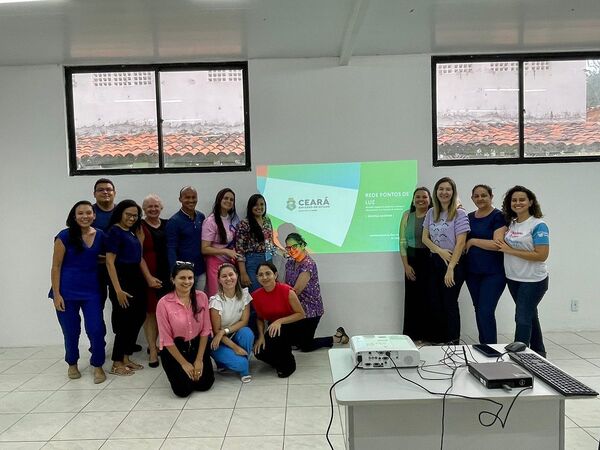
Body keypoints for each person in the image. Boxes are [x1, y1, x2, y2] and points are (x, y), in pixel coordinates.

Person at [50, 201, 107, 384]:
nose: (85, 216)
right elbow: (56, 266)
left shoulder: (100, 235)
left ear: (94, 215)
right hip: (66, 292)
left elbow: (107, 258)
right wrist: (57, 294)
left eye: (88, 212)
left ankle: (97, 365)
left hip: (92, 291)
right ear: (74, 217)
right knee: (71, 331)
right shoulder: (64, 236)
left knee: (96, 329)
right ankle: (72, 363)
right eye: (80, 213)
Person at [495, 186, 549, 357]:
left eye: (522, 199)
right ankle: (539, 352)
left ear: (530, 202)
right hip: (513, 278)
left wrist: (509, 250)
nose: (518, 203)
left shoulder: (538, 225)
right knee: (530, 315)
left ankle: (520, 358)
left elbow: (541, 255)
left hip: (533, 280)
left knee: (522, 318)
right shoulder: (511, 223)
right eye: (514, 200)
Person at [422, 177, 470, 345]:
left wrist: (450, 267)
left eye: (447, 189)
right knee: (435, 301)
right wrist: (439, 251)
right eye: (440, 189)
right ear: (436, 192)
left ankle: (452, 341)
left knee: (449, 302)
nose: (444, 192)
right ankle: (438, 339)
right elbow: (425, 239)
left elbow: (461, 242)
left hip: (453, 262)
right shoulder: (431, 212)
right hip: (435, 260)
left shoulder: (460, 213)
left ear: (453, 192)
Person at [157, 262, 215, 397]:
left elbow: (206, 330)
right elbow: (166, 339)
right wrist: (184, 364)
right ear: (173, 279)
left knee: (205, 385)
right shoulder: (164, 303)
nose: (187, 281)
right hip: (175, 348)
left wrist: (199, 360)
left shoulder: (202, 297)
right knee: (183, 391)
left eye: (190, 278)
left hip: (196, 346)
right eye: (182, 278)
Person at [284, 232, 348, 351]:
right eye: (288, 247)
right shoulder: (289, 263)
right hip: (295, 307)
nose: (291, 250)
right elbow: (285, 286)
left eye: (294, 246)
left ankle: (337, 338)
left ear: (302, 245)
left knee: (305, 346)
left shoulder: (308, 264)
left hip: (311, 309)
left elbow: (296, 290)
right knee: (292, 342)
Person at [105, 199, 147, 375]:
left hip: (136, 278)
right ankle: (116, 362)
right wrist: (118, 289)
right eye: (128, 214)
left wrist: (141, 240)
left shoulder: (131, 232)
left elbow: (137, 256)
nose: (131, 218)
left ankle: (126, 357)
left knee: (138, 317)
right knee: (124, 322)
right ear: (120, 213)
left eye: (135, 215)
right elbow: (109, 261)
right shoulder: (114, 231)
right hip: (122, 280)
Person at [465, 185, 507, 344]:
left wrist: (473, 241)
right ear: (472, 198)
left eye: (484, 195)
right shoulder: (468, 217)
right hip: (472, 272)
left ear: (491, 196)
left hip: (494, 273)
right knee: (479, 310)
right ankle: (484, 346)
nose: (480, 199)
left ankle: (491, 348)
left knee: (486, 311)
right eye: (476, 196)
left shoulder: (498, 216)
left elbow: (498, 244)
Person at [252, 262, 306, 378]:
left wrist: (279, 321)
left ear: (275, 275)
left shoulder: (287, 291)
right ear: (257, 278)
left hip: (292, 324)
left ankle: (288, 364)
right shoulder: (256, 296)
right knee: (259, 352)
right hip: (274, 327)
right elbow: (260, 318)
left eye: (268, 273)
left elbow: (301, 314)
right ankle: (280, 361)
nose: (265, 277)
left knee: (278, 336)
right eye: (261, 275)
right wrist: (261, 336)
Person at [209, 263, 254, 382]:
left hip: (233, 334)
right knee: (241, 364)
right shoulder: (216, 301)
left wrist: (224, 331)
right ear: (219, 280)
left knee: (247, 333)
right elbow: (216, 331)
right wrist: (235, 347)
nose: (228, 278)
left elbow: (244, 322)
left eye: (231, 274)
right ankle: (227, 363)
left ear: (237, 275)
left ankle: (242, 364)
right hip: (219, 341)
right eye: (224, 276)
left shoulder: (244, 295)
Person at [140, 194, 170, 368]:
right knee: (151, 313)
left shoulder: (167, 224)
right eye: (149, 206)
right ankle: (152, 349)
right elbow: (139, 255)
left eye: (156, 206)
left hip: (167, 274)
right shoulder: (140, 226)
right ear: (144, 209)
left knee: (164, 311)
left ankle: (161, 343)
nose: (153, 209)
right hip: (149, 274)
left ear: (161, 208)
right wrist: (149, 278)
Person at [399, 187, 432, 343]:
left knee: (429, 298)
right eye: (417, 197)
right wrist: (406, 265)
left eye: (424, 197)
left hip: (430, 260)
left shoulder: (434, 215)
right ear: (413, 199)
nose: (421, 199)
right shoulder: (407, 215)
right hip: (411, 260)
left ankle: (428, 334)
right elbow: (402, 242)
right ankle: (413, 335)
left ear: (429, 199)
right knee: (412, 300)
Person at [202, 188, 241, 298]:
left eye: (231, 199)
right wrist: (225, 251)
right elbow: (204, 248)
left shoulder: (234, 219)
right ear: (219, 200)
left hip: (231, 263)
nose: (228, 201)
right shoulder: (210, 221)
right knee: (217, 296)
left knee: (231, 295)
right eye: (226, 198)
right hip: (215, 264)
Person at [166, 186, 207, 291]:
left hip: (201, 270)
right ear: (180, 199)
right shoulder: (173, 222)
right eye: (187, 197)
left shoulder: (201, 217)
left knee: (199, 300)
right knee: (185, 303)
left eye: (194, 197)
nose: (191, 200)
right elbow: (171, 249)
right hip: (184, 273)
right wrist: (173, 271)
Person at [235, 194, 275, 292]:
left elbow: (270, 241)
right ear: (250, 207)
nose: (259, 207)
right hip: (252, 261)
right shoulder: (244, 224)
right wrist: (243, 273)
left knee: (269, 291)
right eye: (256, 205)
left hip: (268, 260)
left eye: (262, 204)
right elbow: (240, 250)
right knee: (256, 293)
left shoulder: (267, 220)